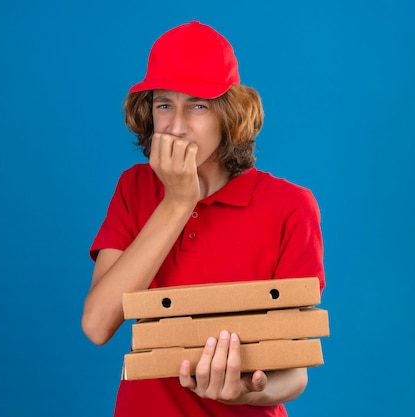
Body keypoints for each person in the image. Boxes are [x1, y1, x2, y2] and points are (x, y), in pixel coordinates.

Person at [81, 21, 325, 417]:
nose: (176, 127)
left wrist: (248, 392)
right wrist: (177, 202)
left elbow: (296, 372)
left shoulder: (290, 205)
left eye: (198, 105)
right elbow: (97, 325)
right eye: (164, 104)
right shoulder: (134, 188)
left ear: (228, 114)